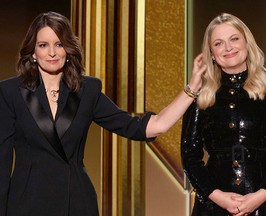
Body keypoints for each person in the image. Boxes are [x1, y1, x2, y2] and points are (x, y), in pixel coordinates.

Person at [0, 11, 206, 216]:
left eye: (59, 44)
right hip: (26, 204)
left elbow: (150, 126)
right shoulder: (10, 93)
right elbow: (2, 162)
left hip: (76, 202)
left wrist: (192, 88)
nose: (52, 52)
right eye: (43, 45)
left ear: (69, 50)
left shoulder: (87, 91)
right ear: (33, 52)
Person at [181, 13, 266, 216]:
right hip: (213, 206)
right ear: (211, 53)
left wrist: (261, 196)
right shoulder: (200, 93)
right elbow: (189, 155)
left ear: (247, 43)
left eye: (234, 39)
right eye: (219, 43)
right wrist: (216, 196)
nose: (228, 48)